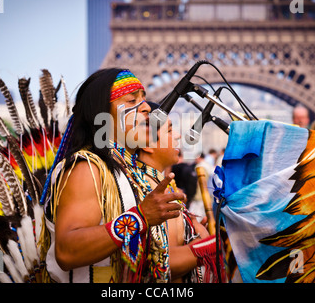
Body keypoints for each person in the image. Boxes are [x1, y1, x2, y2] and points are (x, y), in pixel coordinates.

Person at [42, 68, 185, 283]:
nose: (146, 107)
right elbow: (66, 251)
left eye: (144, 99)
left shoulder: (130, 171)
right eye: (131, 101)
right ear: (103, 113)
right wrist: (141, 217)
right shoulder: (86, 167)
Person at [137, 102, 223, 283]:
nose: (177, 136)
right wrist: (211, 245)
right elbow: (159, 264)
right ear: (146, 144)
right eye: (169, 131)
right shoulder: (145, 190)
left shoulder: (158, 183)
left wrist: (194, 234)